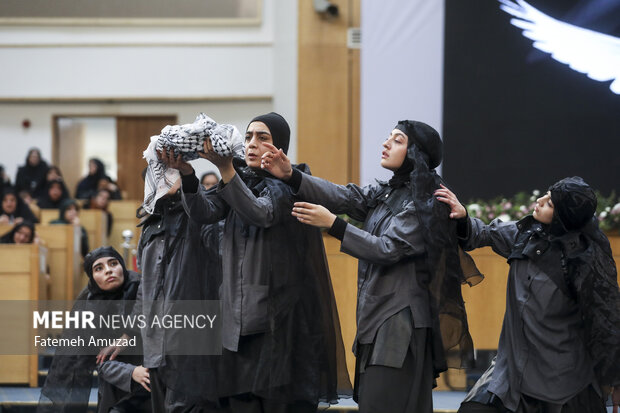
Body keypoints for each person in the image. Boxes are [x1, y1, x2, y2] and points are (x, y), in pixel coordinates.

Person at [261, 120, 479, 413]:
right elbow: (347, 197)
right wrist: (291, 176)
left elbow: (387, 249)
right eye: (389, 137)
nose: (386, 143)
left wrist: (334, 225)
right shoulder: (389, 191)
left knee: (382, 404)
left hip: (401, 323)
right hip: (380, 319)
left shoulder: (426, 200)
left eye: (398, 140)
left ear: (416, 153)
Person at [161, 112, 350, 412]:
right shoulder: (240, 179)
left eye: (263, 138)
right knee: (237, 403)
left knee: (272, 403)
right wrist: (187, 174)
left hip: (275, 324)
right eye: (248, 137)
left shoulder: (288, 186)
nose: (252, 144)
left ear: (281, 149)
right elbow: (203, 213)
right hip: (236, 318)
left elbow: (260, 213)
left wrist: (225, 170)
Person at [434, 177, 620, 413]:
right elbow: (484, 234)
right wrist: (462, 217)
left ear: (565, 215)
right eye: (545, 195)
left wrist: (614, 378)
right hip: (510, 371)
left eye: (551, 203)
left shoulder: (584, 262)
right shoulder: (527, 234)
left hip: (563, 380)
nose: (540, 201)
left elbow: (606, 322)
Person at [130, 177, 221, 412]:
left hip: (189, 335)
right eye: (156, 175)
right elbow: (144, 286)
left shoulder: (199, 217)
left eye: (170, 173)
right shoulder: (149, 225)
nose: (162, 180)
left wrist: (190, 184)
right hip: (154, 337)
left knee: (186, 406)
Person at [38, 246, 151, 413]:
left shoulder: (144, 289)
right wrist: (132, 373)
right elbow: (101, 363)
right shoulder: (91, 307)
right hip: (118, 384)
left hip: (153, 380)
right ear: (92, 277)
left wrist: (128, 335)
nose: (108, 271)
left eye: (113, 264)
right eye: (99, 268)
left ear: (122, 266)